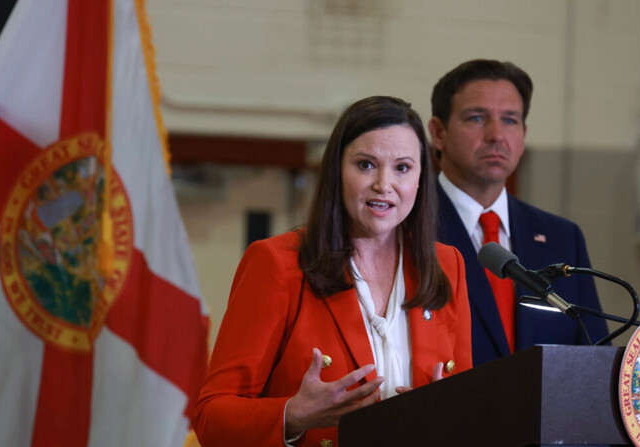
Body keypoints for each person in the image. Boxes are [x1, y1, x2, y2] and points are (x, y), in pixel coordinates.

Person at [194, 96, 473, 447]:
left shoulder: (448, 265)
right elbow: (210, 418)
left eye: (402, 167)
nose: (384, 184)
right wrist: (293, 415)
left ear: (421, 179)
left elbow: (467, 408)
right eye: (366, 164)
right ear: (337, 171)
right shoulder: (276, 263)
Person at [428, 59, 609, 367]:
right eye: (476, 118)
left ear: (523, 135)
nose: (496, 135)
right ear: (439, 132)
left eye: (510, 120)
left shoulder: (562, 237)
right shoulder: (407, 228)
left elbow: (593, 356)